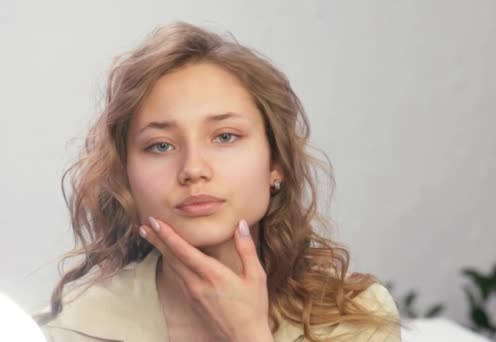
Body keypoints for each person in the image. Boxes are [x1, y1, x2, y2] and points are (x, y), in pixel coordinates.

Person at [36, 21, 401, 341]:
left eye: (225, 136)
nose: (193, 169)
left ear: (276, 163)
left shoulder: (355, 318)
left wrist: (248, 336)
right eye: (160, 145)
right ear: (126, 175)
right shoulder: (73, 328)